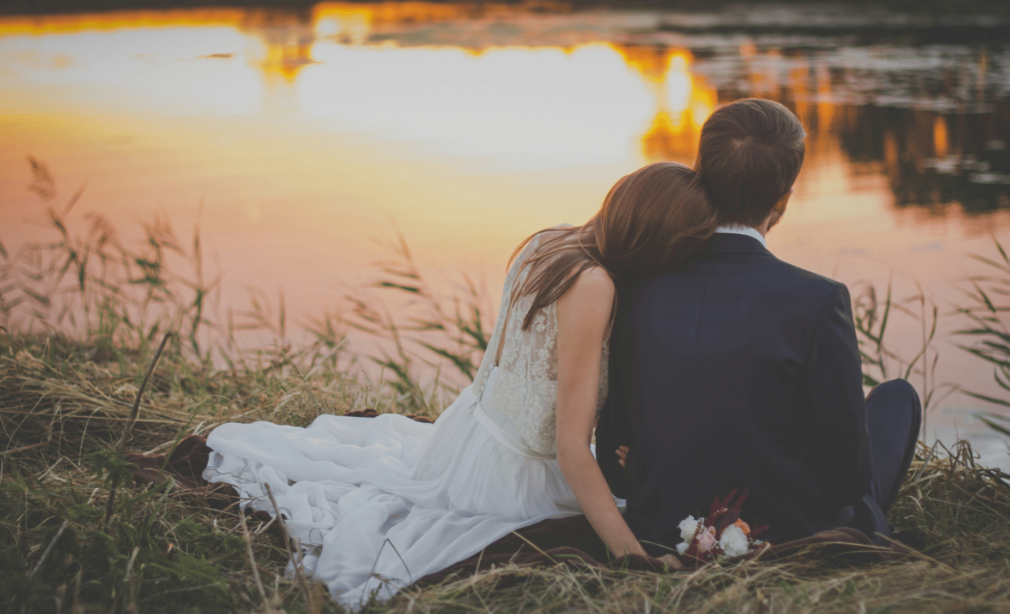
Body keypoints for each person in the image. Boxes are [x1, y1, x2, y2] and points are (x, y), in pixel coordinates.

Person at [203, 162, 719, 607]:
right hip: (512, 475)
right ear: (659, 242)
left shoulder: (551, 240)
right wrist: (631, 558)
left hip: (467, 435)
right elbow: (568, 447)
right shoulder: (594, 285)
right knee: (625, 523)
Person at [596, 99, 922, 553]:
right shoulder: (819, 300)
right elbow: (846, 480)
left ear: (699, 175)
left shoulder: (634, 289)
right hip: (782, 528)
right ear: (783, 199)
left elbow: (612, 461)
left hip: (661, 524)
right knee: (897, 400)